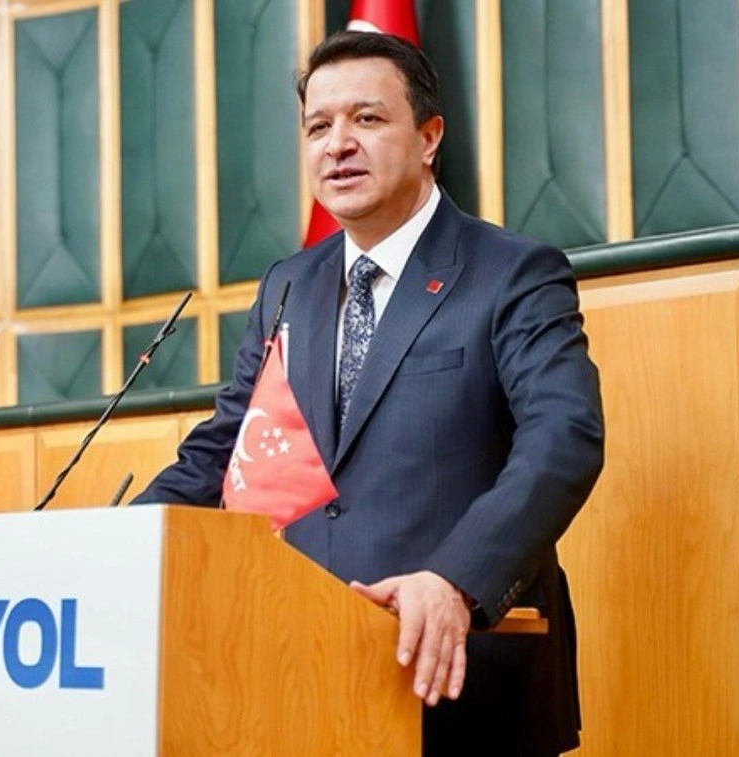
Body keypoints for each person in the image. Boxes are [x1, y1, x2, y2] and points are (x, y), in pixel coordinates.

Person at [133, 31, 604, 755]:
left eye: (367, 119)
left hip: (462, 680)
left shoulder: (513, 272)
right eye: (318, 126)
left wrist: (455, 581)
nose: (338, 145)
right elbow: (227, 449)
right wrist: (115, 546)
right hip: (300, 676)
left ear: (429, 137)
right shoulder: (288, 285)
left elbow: (563, 439)